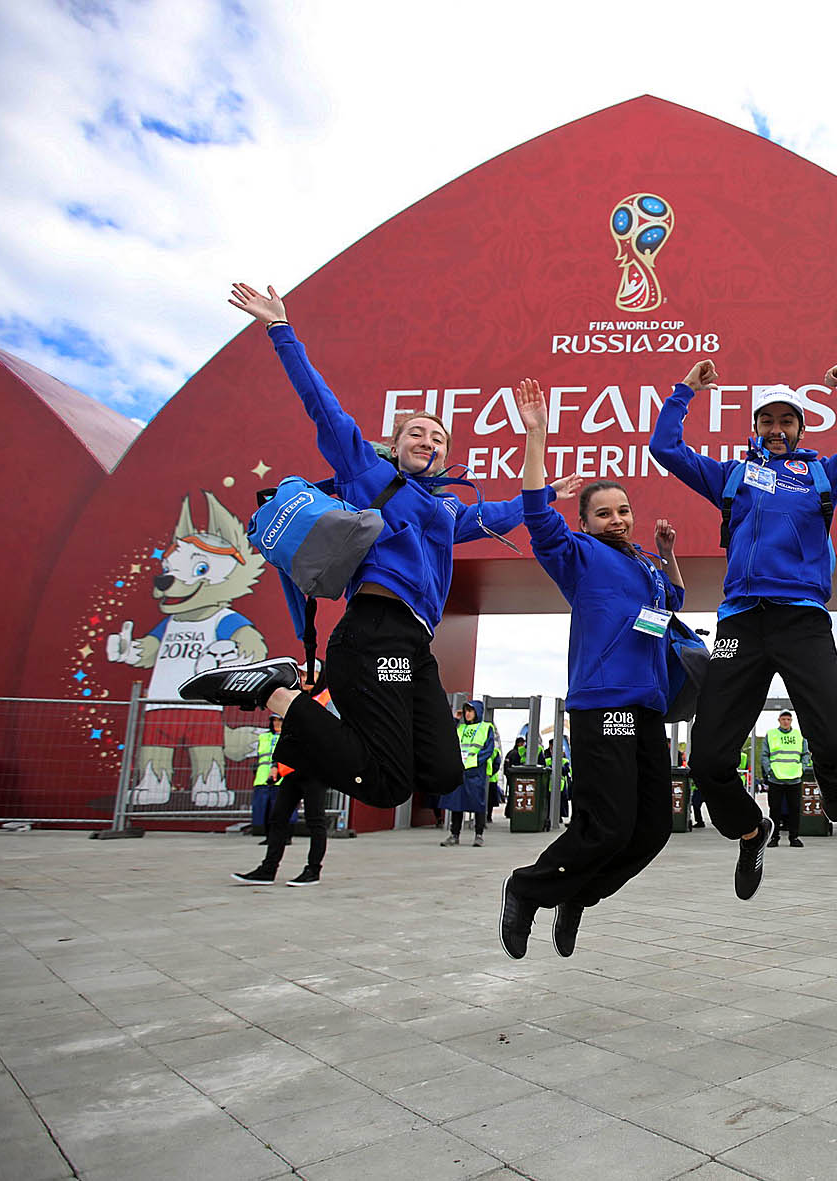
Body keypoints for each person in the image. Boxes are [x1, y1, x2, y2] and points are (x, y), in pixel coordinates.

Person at [181, 283, 579, 817]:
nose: (429, 441)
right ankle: (275, 693)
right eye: (417, 433)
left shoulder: (446, 512)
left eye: (438, 438)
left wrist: (546, 479)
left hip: (413, 647)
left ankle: (306, 718)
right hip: (375, 633)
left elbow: (507, 515)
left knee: (440, 773)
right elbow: (324, 409)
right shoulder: (369, 477)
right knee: (387, 787)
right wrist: (281, 330)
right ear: (394, 445)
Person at [649, 359, 837, 899]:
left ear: (801, 428)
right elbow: (665, 448)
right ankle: (751, 830)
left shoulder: (824, 473)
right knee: (709, 760)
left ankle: (830, 775)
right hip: (739, 621)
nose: (777, 430)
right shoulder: (731, 477)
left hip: (802, 616)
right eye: (767, 421)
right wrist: (684, 390)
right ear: (754, 427)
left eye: (788, 420)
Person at [499, 379, 685, 959]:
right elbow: (536, 513)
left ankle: (575, 897)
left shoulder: (648, 566)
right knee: (607, 826)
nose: (617, 518)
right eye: (603, 512)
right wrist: (535, 437)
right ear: (584, 522)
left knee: (651, 830)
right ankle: (528, 889)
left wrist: (668, 550)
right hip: (604, 706)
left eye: (623, 509)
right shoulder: (577, 557)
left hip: (647, 711)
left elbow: (674, 601)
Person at [232, 683, 335, 886]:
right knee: (278, 819)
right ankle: (268, 869)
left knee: (316, 821)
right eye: (303, 674)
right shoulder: (296, 700)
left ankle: (313, 871)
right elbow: (286, 737)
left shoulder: (328, 699)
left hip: (315, 771)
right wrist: (276, 766)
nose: (304, 678)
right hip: (291, 772)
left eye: (309, 673)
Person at [440, 701, 497, 847]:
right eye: (466, 711)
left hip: (475, 771)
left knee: (478, 804)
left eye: (471, 711)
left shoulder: (486, 728)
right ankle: (454, 835)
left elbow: (488, 750)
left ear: (477, 712)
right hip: (460, 770)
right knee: (456, 804)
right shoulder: (461, 727)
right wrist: (455, 719)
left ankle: (479, 835)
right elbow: (446, 735)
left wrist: (473, 762)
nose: (467, 714)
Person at [761, 711, 806, 848]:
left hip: (794, 778)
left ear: (791, 720)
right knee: (775, 809)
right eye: (783, 719)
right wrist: (770, 771)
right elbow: (764, 755)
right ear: (779, 720)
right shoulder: (771, 734)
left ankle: (794, 837)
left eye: (788, 719)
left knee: (795, 810)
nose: (786, 721)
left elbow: (805, 754)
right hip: (776, 779)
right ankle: (774, 838)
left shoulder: (799, 735)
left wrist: (802, 768)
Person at [250, 716, 282, 839]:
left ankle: (283, 836)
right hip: (262, 777)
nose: (276, 723)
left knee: (279, 809)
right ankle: (268, 836)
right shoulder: (263, 737)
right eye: (274, 720)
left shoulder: (289, 737)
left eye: (279, 720)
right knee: (263, 809)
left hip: (280, 779)